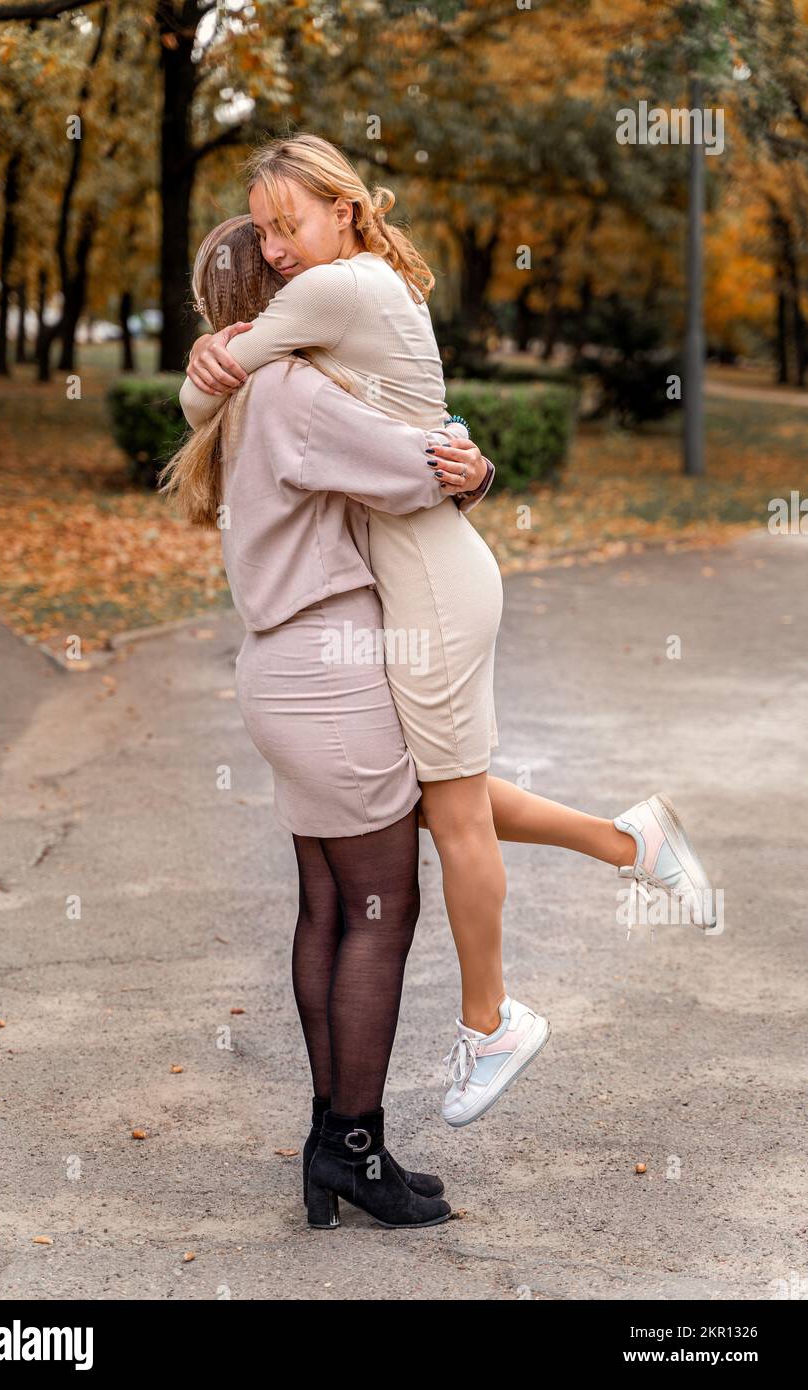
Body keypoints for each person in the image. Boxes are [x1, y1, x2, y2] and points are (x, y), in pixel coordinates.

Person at [181, 132, 718, 1132]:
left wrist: (462, 464)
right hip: (420, 575)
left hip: (427, 583)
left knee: (448, 811)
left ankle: (489, 1023)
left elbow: (391, 448)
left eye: (287, 222)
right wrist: (460, 461)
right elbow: (409, 443)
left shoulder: (321, 317)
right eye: (264, 234)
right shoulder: (336, 329)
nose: (281, 245)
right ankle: (626, 842)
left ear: (340, 209)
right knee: (436, 800)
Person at [161, 215, 490, 1228]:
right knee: (383, 912)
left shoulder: (239, 399)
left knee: (327, 907)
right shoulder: (295, 394)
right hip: (331, 679)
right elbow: (420, 467)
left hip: (284, 671)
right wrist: (476, 462)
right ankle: (353, 1145)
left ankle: (330, 1140)